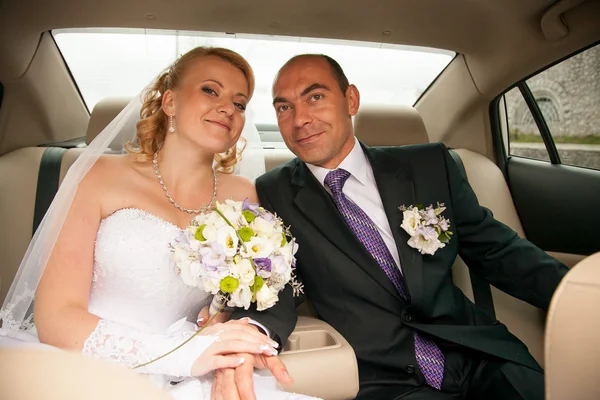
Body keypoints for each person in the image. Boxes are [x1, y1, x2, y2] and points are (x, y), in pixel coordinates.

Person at [214, 54, 569, 400]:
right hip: (382, 379)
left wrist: (578, 296)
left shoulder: (430, 165)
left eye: (316, 97)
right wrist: (249, 333)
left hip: (480, 354)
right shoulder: (274, 193)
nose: (300, 120)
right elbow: (274, 285)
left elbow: (498, 252)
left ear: (350, 99)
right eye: (284, 108)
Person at [0, 47, 319, 400]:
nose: (228, 108)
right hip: (87, 365)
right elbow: (56, 317)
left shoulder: (243, 196)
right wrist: (180, 355)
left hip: (196, 371)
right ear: (170, 102)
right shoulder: (98, 177)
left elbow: (251, 296)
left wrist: (223, 322)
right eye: (210, 90)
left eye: (240, 103)